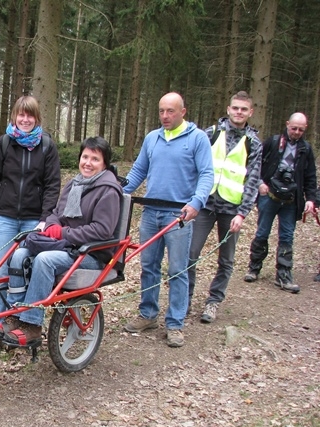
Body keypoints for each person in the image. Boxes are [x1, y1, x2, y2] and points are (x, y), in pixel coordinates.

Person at [0, 137, 122, 346]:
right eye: (85, 157)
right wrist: (49, 225)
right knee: (20, 255)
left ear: (104, 163)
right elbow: (56, 213)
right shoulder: (75, 183)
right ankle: (16, 313)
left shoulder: (108, 190)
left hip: (92, 254)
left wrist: (63, 233)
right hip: (68, 248)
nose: (88, 162)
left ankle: (32, 325)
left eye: (95, 159)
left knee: (44, 260)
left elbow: (102, 230)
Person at [122, 92, 214, 348]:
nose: (165, 116)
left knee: (177, 270)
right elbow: (139, 170)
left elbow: (207, 174)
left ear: (183, 112)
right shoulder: (153, 138)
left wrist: (196, 202)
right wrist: (118, 191)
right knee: (148, 266)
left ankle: (175, 323)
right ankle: (148, 314)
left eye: (170, 111)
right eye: (161, 111)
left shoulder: (197, 139)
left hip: (179, 216)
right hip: (151, 212)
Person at [0, 96, 61, 317]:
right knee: (0, 273)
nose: (25, 120)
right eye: (21, 115)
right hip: (4, 218)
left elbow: (52, 185)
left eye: (30, 115)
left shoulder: (47, 146)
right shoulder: (3, 144)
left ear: (37, 118)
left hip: (33, 220)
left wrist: (45, 219)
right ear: (14, 116)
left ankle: (17, 322)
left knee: (25, 271)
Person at [187, 91, 262, 323]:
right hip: (204, 204)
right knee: (190, 254)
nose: (239, 112)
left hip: (231, 209)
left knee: (226, 260)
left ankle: (213, 302)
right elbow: (193, 166)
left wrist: (243, 213)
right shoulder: (210, 134)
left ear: (250, 112)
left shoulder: (254, 143)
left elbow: (253, 180)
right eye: (235, 108)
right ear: (228, 109)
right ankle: (185, 299)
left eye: (243, 109)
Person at [244, 112, 317, 292]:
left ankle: (284, 275)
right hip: (269, 196)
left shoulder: (306, 150)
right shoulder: (273, 142)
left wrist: (312, 200)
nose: (297, 132)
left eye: (301, 129)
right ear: (287, 124)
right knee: (262, 233)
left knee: (287, 237)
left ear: (305, 129)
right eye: (294, 128)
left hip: (291, 200)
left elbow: (310, 177)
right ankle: (254, 268)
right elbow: (255, 164)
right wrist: (259, 183)